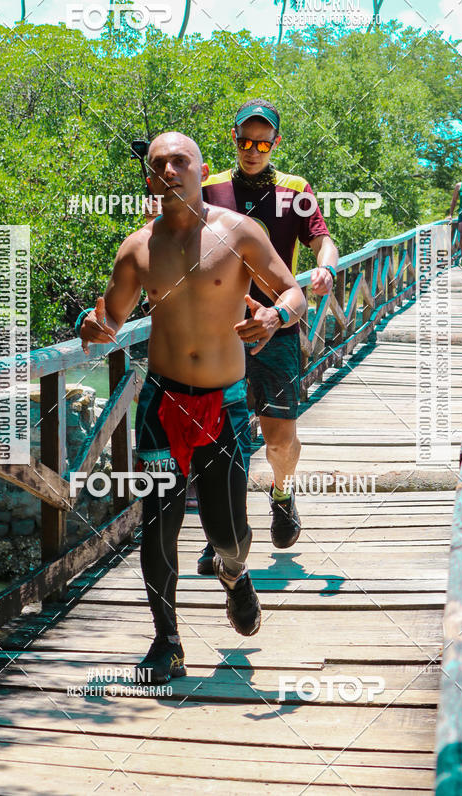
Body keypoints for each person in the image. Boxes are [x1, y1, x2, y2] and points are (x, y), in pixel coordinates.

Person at [78, 131, 306, 683]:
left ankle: (234, 573)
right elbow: (110, 317)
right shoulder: (137, 248)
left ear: (202, 170)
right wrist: (94, 325)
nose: (171, 170)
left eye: (182, 161)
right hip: (162, 403)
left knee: (229, 534)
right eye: (160, 164)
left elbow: (293, 293)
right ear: (150, 178)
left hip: (224, 403)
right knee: (159, 526)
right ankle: (167, 642)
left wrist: (275, 316)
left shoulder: (239, 233)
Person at [196, 98, 338, 573]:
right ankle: (222, 532)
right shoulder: (209, 187)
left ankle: (282, 491)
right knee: (216, 437)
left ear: (275, 142)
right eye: (244, 140)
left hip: (278, 322)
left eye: (262, 141)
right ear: (232, 139)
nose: (252, 149)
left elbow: (322, 239)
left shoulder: (294, 190)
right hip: (220, 327)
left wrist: (326, 269)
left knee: (278, 439)